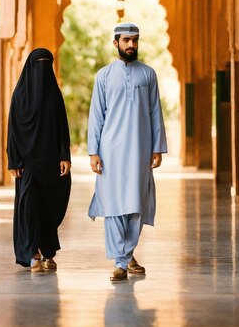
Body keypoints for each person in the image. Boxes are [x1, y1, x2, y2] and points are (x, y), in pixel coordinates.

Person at [88, 22, 168, 282]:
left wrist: (157, 147)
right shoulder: (104, 76)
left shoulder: (148, 74)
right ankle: (122, 261)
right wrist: (93, 151)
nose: (131, 45)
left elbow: (155, 112)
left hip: (140, 149)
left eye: (134, 40)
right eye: (126, 40)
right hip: (110, 151)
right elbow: (96, 116)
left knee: (135, 204)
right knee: (112, 205)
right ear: (116, 43)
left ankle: (125, 256)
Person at [7, 47, 71, 273]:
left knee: (50, 208)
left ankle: (48, 252)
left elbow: (62, 127)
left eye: (48, 63)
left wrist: (65, 156)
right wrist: (14, 160)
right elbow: (13, 129)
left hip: (52, 161)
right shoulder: (20, 95)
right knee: (29, 208)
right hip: (27, 163)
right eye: (39, 63)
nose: (43, 69)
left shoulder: (54, 94)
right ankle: (32, 253)